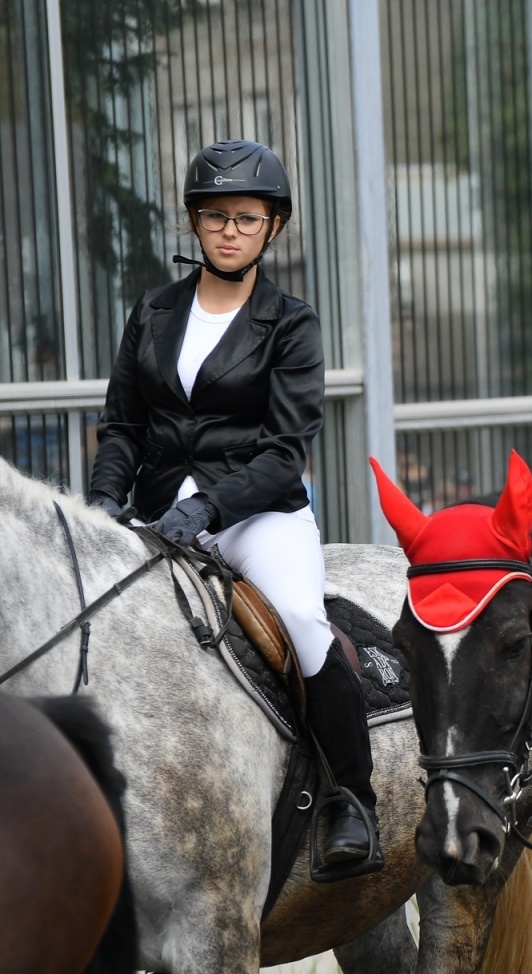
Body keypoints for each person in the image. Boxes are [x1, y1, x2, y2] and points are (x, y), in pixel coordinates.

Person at [89, 140, 381, 876]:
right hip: (157, 512)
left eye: (246, 218)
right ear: (194, 222)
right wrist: (101, 505)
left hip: (258, 516)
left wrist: (212, 507)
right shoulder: (153, 312)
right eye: (214, 215)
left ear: (272, 227)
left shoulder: (291, 323)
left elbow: (285, 452)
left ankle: (354, 798)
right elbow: (123, 426)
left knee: (305, 625)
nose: (228, 230)